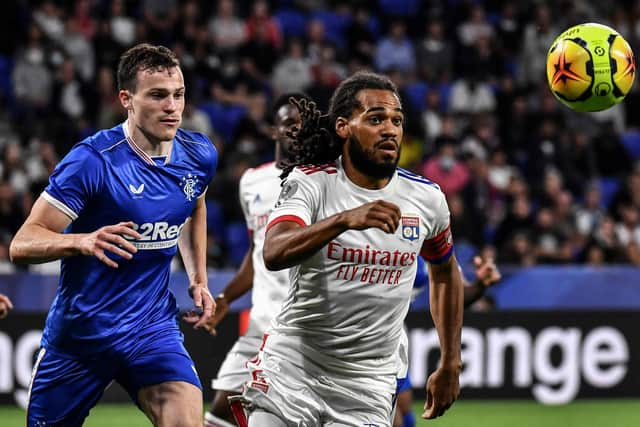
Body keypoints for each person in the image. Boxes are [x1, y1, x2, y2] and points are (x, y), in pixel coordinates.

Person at [9, 43, 218, 427]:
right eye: (157, 95)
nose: (172, 106)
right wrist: (80, 241)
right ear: (127, 99)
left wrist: (198, 280)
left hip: (151, 329)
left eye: (178, 94)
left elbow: (193, 209)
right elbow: (22, 244)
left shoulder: (199, 154)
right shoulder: (92, 161)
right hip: (82, 337)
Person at [240, 71, 465, 426]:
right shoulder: (311, 182)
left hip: (368, 384)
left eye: (396, 120)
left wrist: (451, 361)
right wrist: (344, 219)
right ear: (344, 127)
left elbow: (445, 272)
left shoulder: (426, 198)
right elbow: (274, 250)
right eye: (375, 119)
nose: (390, 129)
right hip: (292, 367)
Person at [203, 92, 312, 427]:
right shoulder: (252, 183)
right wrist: (226, 297)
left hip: (304, 329)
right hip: (263, 325)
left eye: (303, 126)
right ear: (273, 130)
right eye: (288, 124)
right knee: (219, 414)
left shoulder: (323, 182)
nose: (296, 132)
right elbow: (257, 252)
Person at [393, 255, 502, 427]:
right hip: (353, 334)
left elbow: (453, 293)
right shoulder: (364, 237)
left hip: (393, 338)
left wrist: (479, 284)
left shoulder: (429, 234)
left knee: (405, 411)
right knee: (391, 418)